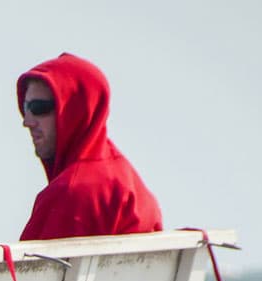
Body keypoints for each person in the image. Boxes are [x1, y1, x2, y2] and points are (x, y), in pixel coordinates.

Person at [17, 53, 162, 241]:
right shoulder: (127, 182)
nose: (27, 121)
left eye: (38, 108)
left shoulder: (70, 194)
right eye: (25, 107)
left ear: (75, 110)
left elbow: (26, 270)